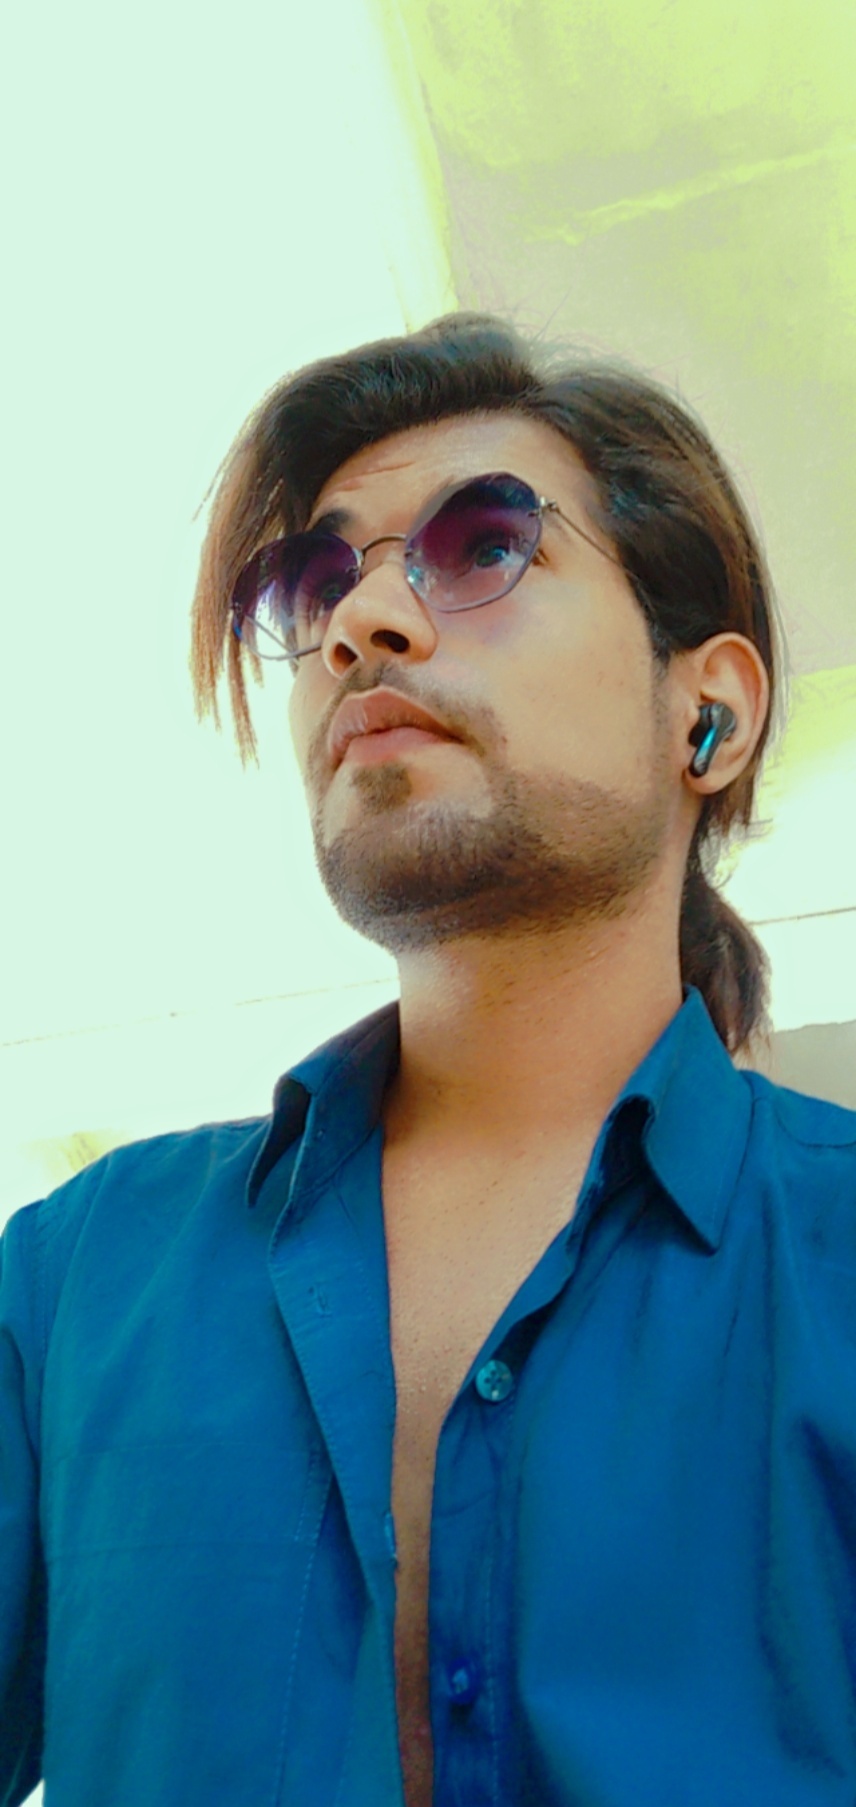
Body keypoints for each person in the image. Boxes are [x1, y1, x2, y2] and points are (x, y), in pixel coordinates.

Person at [2, 312, 855, 1807]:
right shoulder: (70, 1285)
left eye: (486, 547)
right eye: (319, 582)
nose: (361, 622)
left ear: (708, 711)